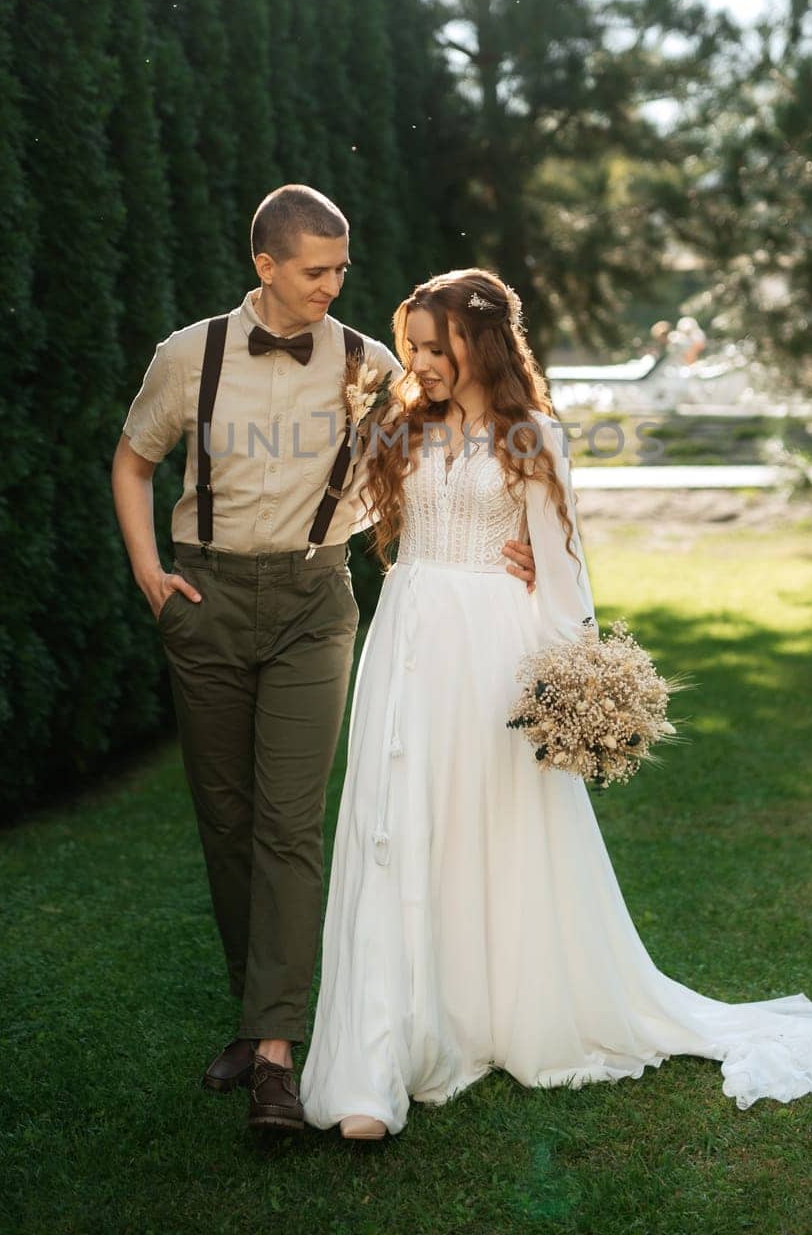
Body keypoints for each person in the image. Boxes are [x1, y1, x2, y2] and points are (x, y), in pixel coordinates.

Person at [299, 267, 812, 1140]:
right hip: (410, 638)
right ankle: (376, 1058)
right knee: (398, 822)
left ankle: (499, 1012)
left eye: (436, 347)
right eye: (413, 347)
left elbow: (563, 565)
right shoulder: (400, 424)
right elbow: (344, 513)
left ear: (483, 343)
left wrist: (573, 686)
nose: (420, 362)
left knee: (495, 823)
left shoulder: (531, 434)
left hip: (494, 648)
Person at [111, 185, 539, 1130]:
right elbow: (133, 461)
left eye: (341, 268)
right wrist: (150, 573)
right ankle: (258, 1005)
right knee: (224, 818)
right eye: (317, 271)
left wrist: (511, 537)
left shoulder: (369, 361)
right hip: (207, 596)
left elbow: (436, 450)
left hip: (315, 601)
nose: (334, 285)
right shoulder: (190, 356)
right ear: (264, 265)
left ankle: (274, 1049)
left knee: (289, 820)